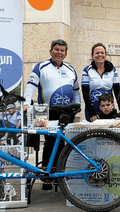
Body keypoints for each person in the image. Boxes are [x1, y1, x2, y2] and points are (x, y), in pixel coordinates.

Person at [23, 39, 80, 188]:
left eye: (62, 50)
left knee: (63, 142)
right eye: (56, 49)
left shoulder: (71, 69)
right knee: (49, 142)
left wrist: (78, 105)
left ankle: (60, 174)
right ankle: (47, 176)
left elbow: (76, 91)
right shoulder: (41, 67)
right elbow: (31, 86)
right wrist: (26, 103)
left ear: (66, 53)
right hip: (47, 111)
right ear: (50, 51)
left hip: (67, 112)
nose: (59, 52)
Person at [81, 43, 120, 121]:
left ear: (105, 55)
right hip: (92, 109)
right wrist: (91, 112)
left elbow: (117, 92)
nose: (100, 55)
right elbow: (85, 94)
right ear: (92, 56)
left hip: (108, 110)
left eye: (102, 53)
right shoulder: (87, 70)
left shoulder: (113, 70)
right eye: (97, 53)